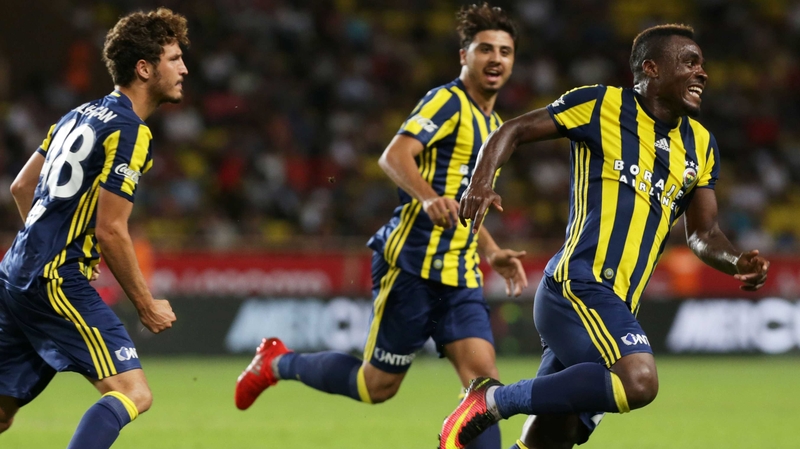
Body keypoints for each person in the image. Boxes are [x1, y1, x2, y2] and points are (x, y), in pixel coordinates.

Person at [440, 24, 771, 449]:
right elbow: (514, 130)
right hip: (578, 285)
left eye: (702, 64)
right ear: (651, 68)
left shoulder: (701, 145)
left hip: (617, 302)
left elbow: (703, 232)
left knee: (557, 433)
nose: (702, 72)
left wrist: (735, 261)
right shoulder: (601, 105)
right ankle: (491, 400)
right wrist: (481, 181)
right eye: (689, 61)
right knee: (638, 381)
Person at [235, 4, 526, 448]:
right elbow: (394, 155)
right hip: (411, 267)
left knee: (483, 389)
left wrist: (490, 250)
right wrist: (428, 198)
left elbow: (467, 201)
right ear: (463, 55)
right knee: (377, 387)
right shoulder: (447, 101)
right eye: (485, 49)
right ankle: (277, 363)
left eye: (505, 51)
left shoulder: (496, 127)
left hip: (460, 274)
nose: (495, 59)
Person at [0, 8, 188, 449]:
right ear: (144, 68)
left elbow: (22, 185)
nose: (184, 69)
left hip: (15, 273)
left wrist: (44, 243)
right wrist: (144, 303)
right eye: (174, 58)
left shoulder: (77, 115)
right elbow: (111, 230)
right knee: (132, 393)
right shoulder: (130, 130)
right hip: (56, 279)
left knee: (2, 413)